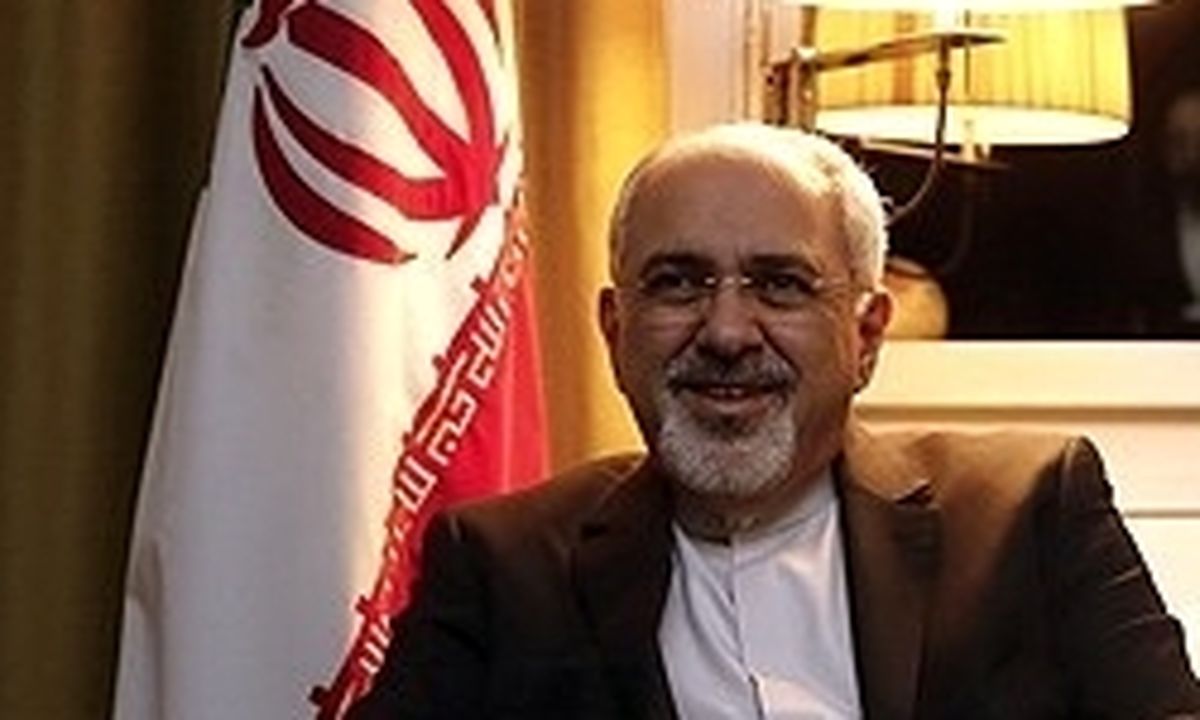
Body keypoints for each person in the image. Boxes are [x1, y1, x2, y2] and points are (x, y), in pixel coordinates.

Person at [348, 123, 1200, 718]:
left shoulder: (1032, 511)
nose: (726, 332)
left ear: (866, 336)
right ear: (615, 329)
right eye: (677, 283)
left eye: (782, 285)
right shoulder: (501, 565)